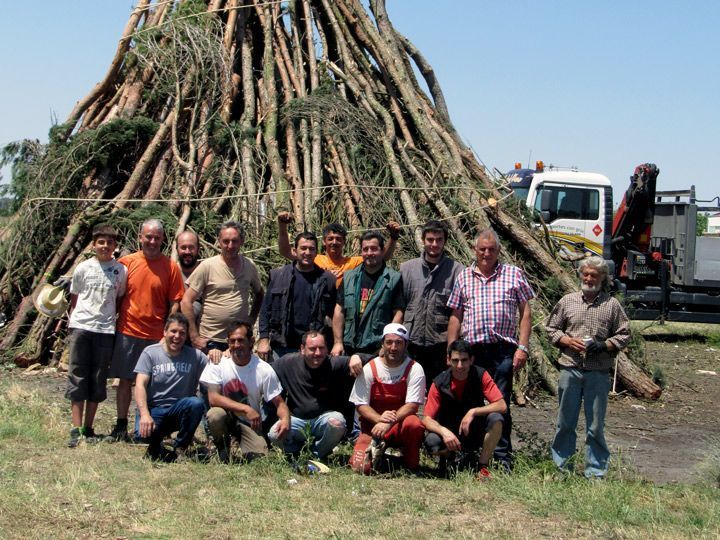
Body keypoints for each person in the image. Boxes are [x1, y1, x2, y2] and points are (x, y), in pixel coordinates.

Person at [447, 228, 534, 470]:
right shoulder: (464, 277)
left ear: (498, 251)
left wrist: (523, 348)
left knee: (500, 403)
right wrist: (451, 351)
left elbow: (525, 313)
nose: (487, 253)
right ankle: (469, 453)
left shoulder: (513, 274)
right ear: (475, 250)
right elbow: (456, 315)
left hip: (502, 351)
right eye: (482, 249)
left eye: (491, 249)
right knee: (469, 402)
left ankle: (502, 458)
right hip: (472, 352)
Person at [545, 256, 630, 479]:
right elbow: (551, 329)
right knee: (565, 422)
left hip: (598, 372)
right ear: (581, 275)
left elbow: (624, 333)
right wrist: (566, 341)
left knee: (595, 426)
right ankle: (562, 469)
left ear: (603, 278)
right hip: (570, 368)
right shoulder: (567, 301)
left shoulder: (611, 305)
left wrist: (605, 345)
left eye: (594, 275)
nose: (589, 278)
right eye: (586, 274)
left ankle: (595, 472)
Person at [107, 219, 185, 442]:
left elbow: (175, 302)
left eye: (156, 238)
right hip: (128, 331)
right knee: (124, 380)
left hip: (155, 335)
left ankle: (148, 424)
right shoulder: (126, 263)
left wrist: (168, 333)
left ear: (163, 240)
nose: (152, 241)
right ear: (140, 237)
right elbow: (114, 293)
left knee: (153, 383)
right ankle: (121, 425)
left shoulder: (170, 267)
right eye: (148, 237)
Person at [65, 224, 127, 447]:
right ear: (93, 245)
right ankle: (75, 428)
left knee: (98, 378)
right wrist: (77, 320)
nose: (105, 246)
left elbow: (118, 299)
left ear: (114, 246)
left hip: (105, 329)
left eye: (110, 243)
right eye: (101, 242)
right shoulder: (83, 268)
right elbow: (75, 297)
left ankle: (88, 427)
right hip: (82, 326)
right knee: (78, 374)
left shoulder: (120, 270)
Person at [200, 322, 290, 463]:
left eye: (241, 340)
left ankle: (242, 442)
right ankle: (221, 447)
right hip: (226, 417)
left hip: (249, 422)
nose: (236, 345)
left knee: (259, 458)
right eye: (232, 341)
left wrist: (285, 419)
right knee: (214, 415)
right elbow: (213, 398)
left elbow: (279, 402)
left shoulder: (263, 369)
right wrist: (245, 408)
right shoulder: (218, 362)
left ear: (251, 342)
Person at [268, 331, 365, 460]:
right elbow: (262, 370)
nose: (318, 353)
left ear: (327, 349)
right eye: (312, 349)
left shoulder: (334, 363)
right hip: (296, 421)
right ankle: (296, 454)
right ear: (302, 349)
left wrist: (358, 357)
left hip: (323, 421)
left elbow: (376, 360)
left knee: (338, 422)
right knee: (274, 434)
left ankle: (316, 454)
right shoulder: (287, 363)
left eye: (321, 348)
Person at [422, 339, 506, 479]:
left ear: (471, 360)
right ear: (448, 360)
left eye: (464, 360)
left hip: (474, 430)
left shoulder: (481, 375)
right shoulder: (439, 382)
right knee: (432, 443)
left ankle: (482, 467)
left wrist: (473, 411)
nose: (460, 365)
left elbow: (501, 405)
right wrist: (444, 432)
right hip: (449, 432)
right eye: (455, 360)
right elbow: (426, 419)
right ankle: (449, 458)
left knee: (496, 419)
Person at [349, 323, 426, 474]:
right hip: (373, 427)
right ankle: (383, 460)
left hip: (399, 427)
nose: (393, 347)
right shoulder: (369, 368)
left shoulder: (415, 368)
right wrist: (379, 420)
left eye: (399, 343)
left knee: (414, 424)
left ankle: (408, 462)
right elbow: (360, 405)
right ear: (382, 344)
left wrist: (388, 422)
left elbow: (412, 405)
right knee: (360, 468)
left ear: (406, 345)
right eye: (389, 342)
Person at [134, 313, 208, 462]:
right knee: (141, 436)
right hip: (154, 409)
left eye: (182, 333)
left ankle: (180, 447)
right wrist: (144, 414)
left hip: (179, 410)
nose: (177, 336)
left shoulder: (196, 356)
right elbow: (140, 385)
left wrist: (220, 353)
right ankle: (158, 448)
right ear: (165, 332)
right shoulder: (151, 353)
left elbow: (217, 369)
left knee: (196, 403)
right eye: (173, 331)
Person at [181, 221, 264, 352]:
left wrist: (251, 320)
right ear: (219, 241)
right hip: (210, 340)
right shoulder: (207, 266)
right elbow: (186, 302)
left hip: (238, 340)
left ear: (241, 241)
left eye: (234, 241)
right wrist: (194, 336)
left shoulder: (249, 266)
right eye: (226, 241)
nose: (230, 246)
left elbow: (259, 293)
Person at [400, 220, 463, 387]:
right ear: (423, 240)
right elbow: (399, 307)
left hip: (440, 345)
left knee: (439, 393)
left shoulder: (457, 271)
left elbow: (458, 313)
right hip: (411, 343)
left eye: (439, 240)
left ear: (445, 241)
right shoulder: (406, 269)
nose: (434, 244)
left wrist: (452, 348)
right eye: (430, 239)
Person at [257, 232, 336, 360]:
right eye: (303, 248)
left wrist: (336, 343)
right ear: (295, 250)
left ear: (317, 252)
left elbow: (336, 315)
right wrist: (264, 339)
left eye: (311, 249)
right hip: (282, 346)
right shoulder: (278, 275)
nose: (307, 252)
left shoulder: (328, 279)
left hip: (315, 348)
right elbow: (265, 310)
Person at [277, 212, 401, 286]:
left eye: (338, 239)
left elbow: (382, 257)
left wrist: (393, 237)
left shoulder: (354, 262)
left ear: (344, 242)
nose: (334, 242)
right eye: (330, 239)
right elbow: (285, 251)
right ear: (324, 242)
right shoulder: (314, 258)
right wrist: (282, 225)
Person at [332, 231, 404, 356]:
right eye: (365, 249)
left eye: (374, 249)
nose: (369, 253)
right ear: (361, 252)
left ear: (382, 251)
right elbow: (339, 310)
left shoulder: (394, 278)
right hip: (348, 347)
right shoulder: (349, 277)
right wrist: (338, 342)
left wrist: (387, 345)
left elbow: (398, 313)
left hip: (377, 349)